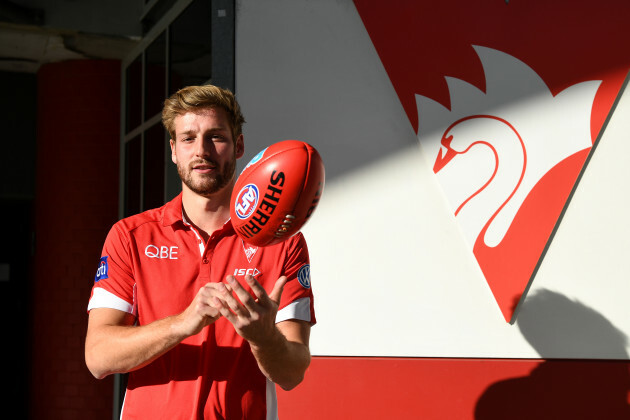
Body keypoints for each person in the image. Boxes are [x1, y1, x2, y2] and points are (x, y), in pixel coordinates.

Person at [85, 85, 315, 419]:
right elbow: (97, 357)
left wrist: (264, 338)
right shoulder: (130, 236)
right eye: (189, 138)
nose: (202, 151)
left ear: (238, 146)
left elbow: (293, 373)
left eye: (216, 137)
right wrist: (183, 323)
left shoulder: (282, 240)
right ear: (174, 151)